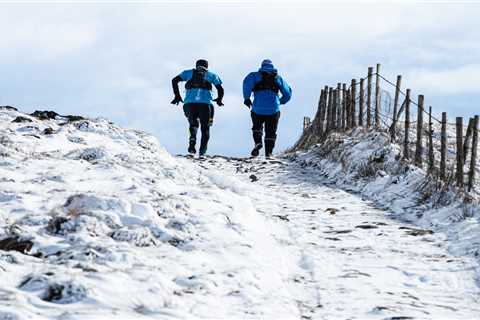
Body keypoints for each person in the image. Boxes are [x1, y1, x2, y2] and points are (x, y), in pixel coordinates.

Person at [171, 59, 224, 157]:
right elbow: (220, 88)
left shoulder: (188, 73)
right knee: (205, 128)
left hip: (189, 104)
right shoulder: (212, 75)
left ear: (196, 66)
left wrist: (177, 96)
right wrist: (219, 99)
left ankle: (192, 143)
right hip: (205, 104)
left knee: (193, 124)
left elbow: (174, 80)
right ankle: (202, 153)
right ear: (207, 66)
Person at [242, 59, 292, 158]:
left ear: (262, 66)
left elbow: (246, 85)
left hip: (257, 108)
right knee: (271, 131)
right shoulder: (278, 78)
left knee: (257, 127)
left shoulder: (254, 76)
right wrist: (280, 102)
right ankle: (268, 153)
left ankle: (258, 142)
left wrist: (247, 98)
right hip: (273, 109)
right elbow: (288, 93)